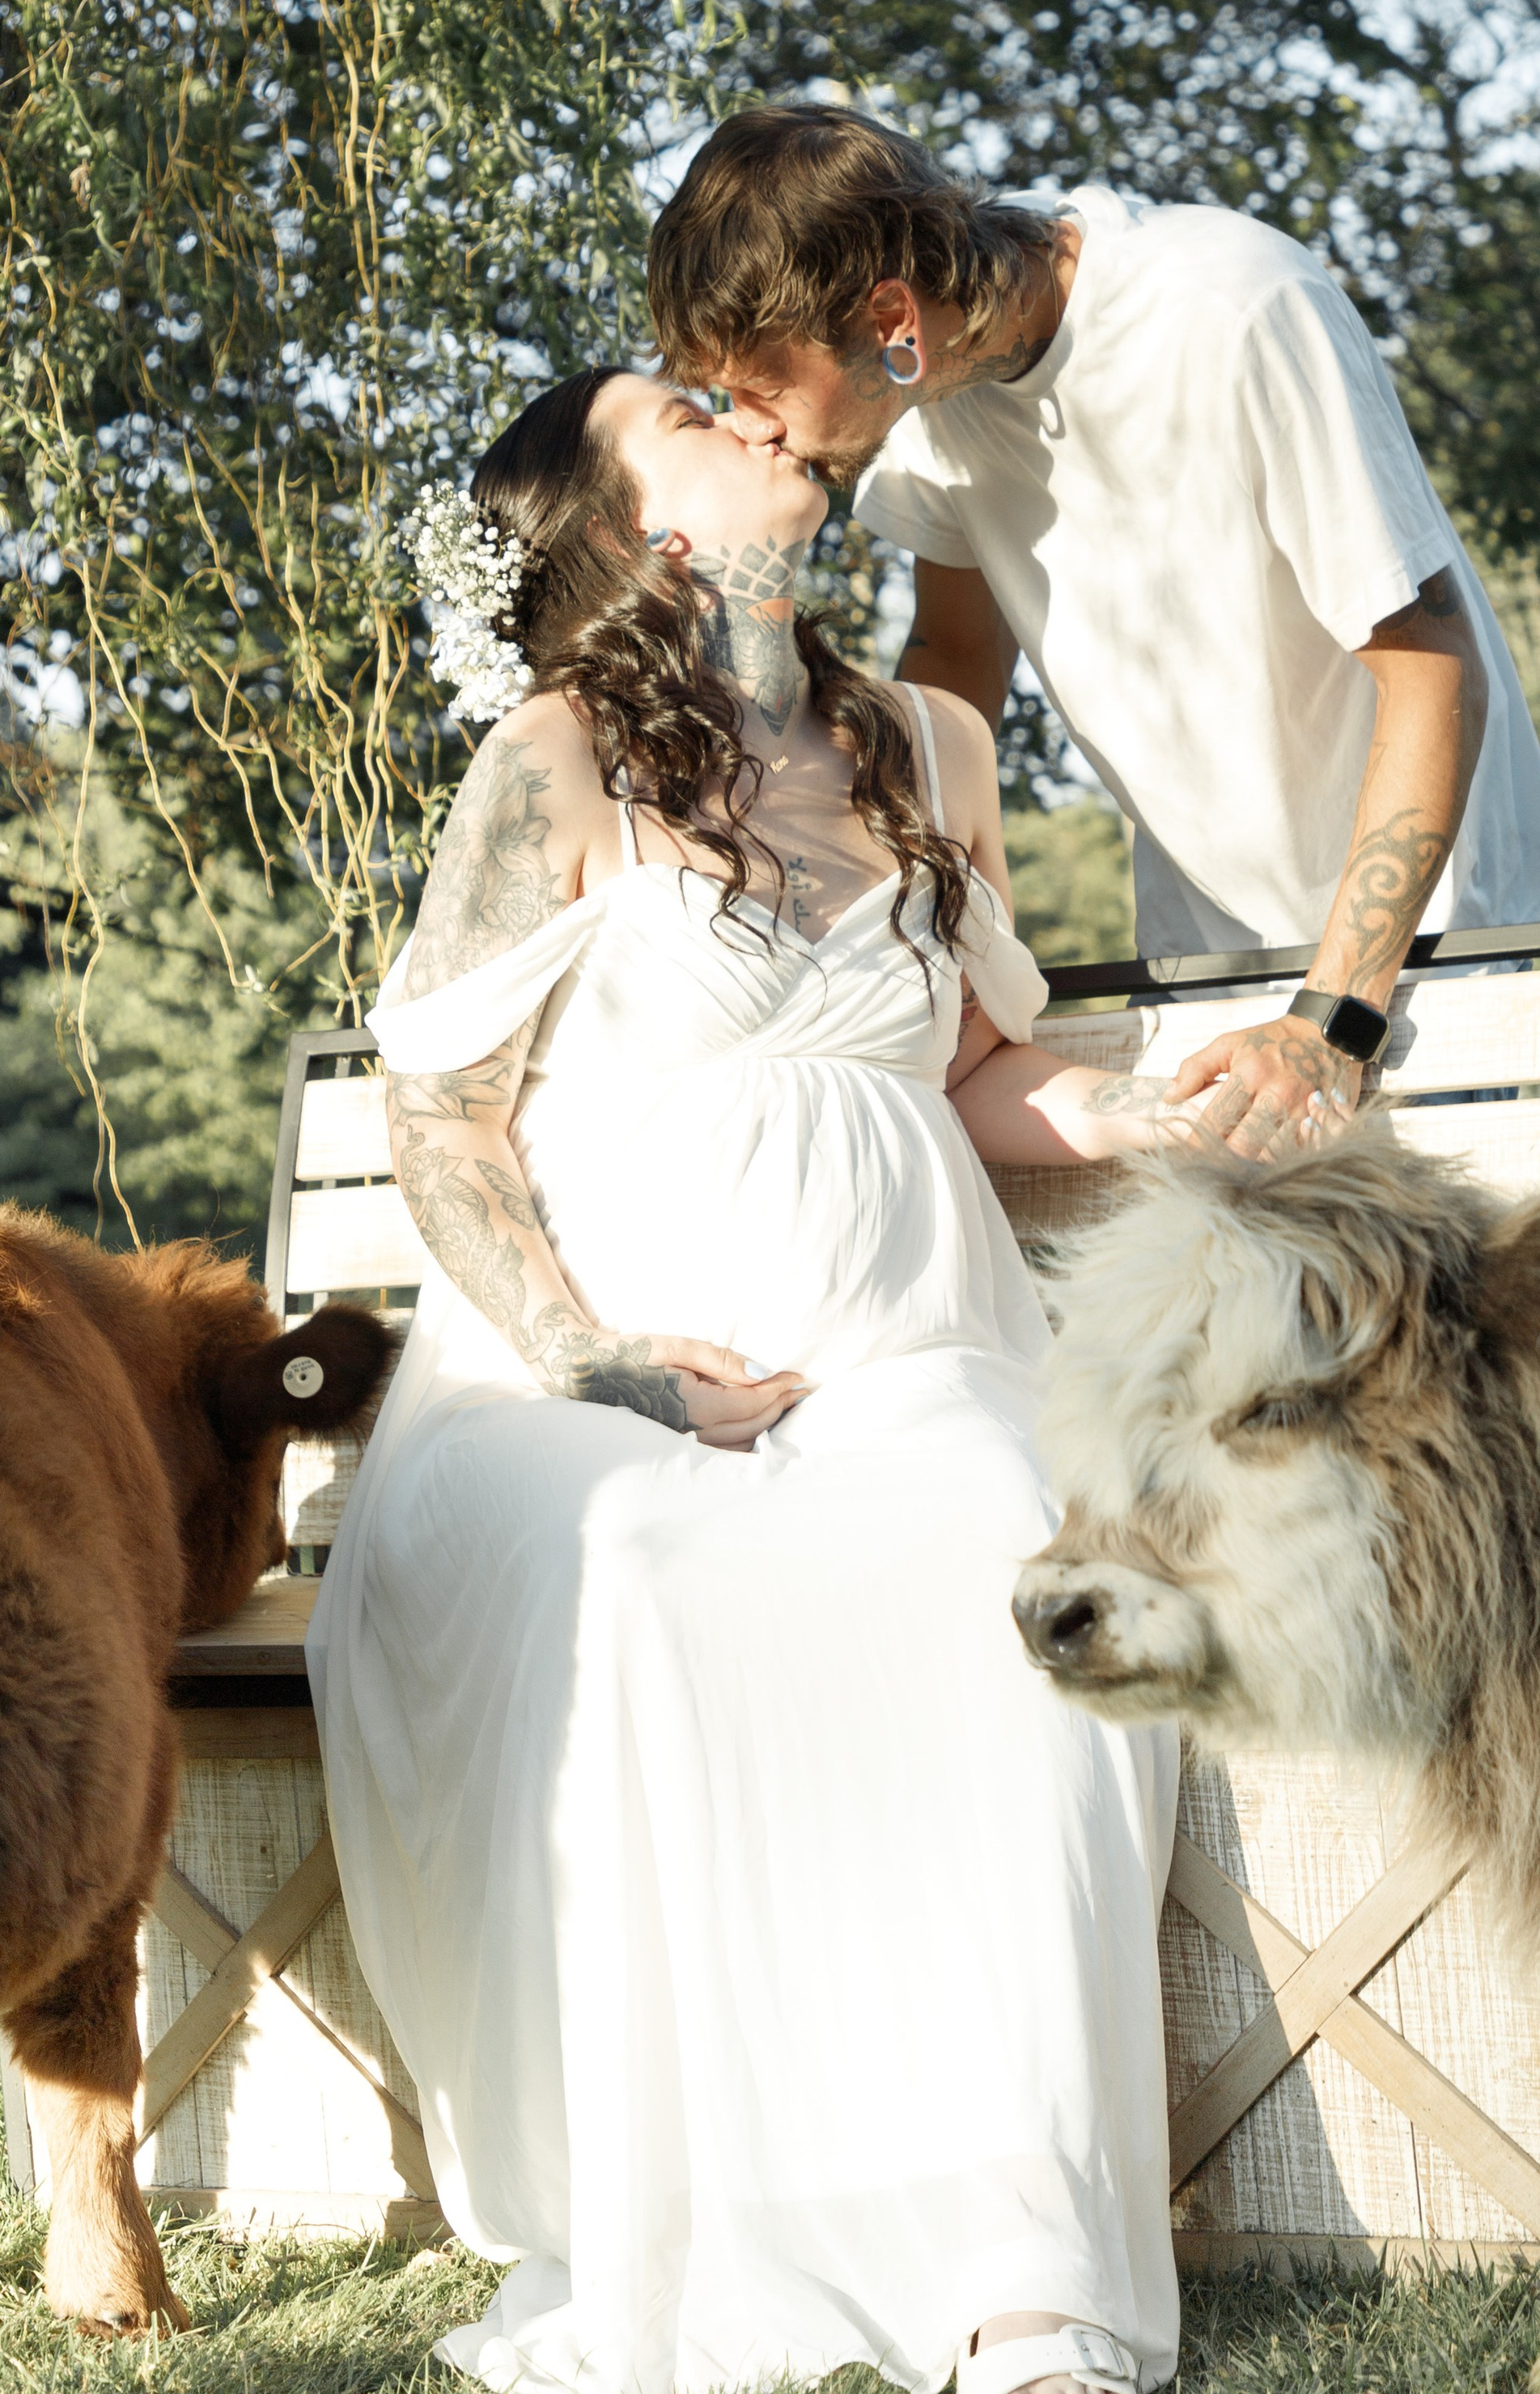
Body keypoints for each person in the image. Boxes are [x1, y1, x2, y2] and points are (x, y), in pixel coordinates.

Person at [309, 365, 1202, 2394]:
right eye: (691, 407)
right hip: (581, 1397)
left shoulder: (932, 745)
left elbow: (976, 1075)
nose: (756, 408)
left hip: (907, 1351)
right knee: (652, 1582)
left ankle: (1015, 2277)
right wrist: (595, 1357)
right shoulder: (555, 762)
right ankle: (718, 2235)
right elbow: (442, 1119)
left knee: (1005, 1547)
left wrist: (1166, 1112)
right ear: (640, 525)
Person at [647, 105, 1540, 1157]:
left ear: (893, 320)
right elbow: (955, 672)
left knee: (1420, 1316)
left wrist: (1336, 1020)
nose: (740, 423)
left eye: (757, 385)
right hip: (1210, 971)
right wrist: (879, 932)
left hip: (1416, 959)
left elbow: (1431, 669)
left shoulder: (1237, 308)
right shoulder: (934, 406)